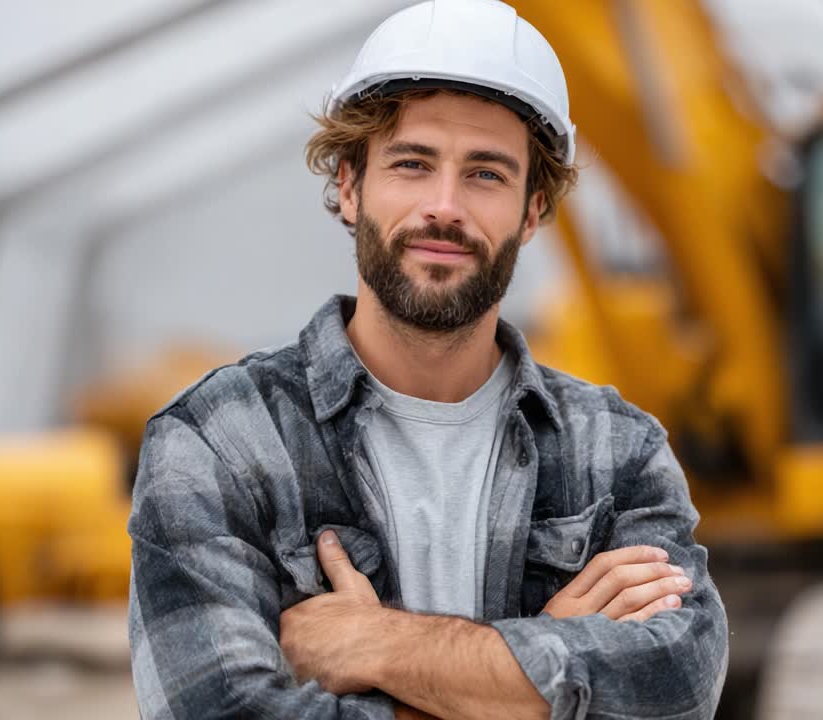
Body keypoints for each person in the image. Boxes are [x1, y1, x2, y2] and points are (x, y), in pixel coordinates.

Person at [127, 1, 728, 718]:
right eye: (413, 164)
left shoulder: (618, 452)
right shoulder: (220, 443)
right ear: (350, 185)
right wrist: (543, 668)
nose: (444, 207)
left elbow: (681, 686)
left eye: (486, 175)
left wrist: (379, 647)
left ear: (533, 210)